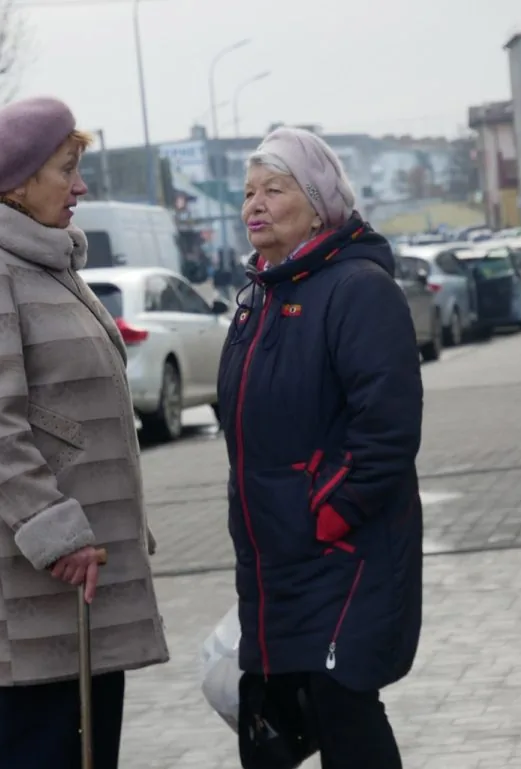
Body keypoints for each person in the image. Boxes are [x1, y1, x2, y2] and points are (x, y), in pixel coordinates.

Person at [0, 96, 169, 769]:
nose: (81, 185)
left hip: (74, 576)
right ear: (19, 182)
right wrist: (56, 530)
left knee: (85, 748)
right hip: (37, 578)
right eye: (68, 169)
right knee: (48, 747)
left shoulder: (40, 259)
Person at [216, 127, 423, 769]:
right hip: (272, 560)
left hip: (343, 554)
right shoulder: (259, 298)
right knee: (272, 723)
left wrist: (328, 511)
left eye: (274, 190)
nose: (254, 204)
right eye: (249, 192)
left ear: (318, 202)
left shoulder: (358, 289)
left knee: (344, 709)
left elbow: (386, 428)